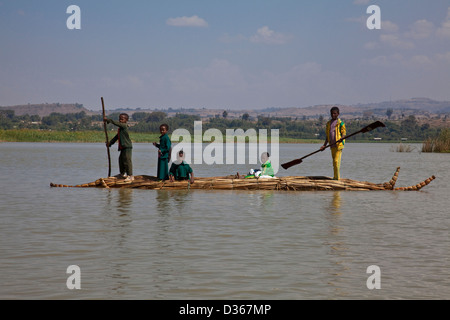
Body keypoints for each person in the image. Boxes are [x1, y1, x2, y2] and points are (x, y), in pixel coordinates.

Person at [104, 113, 133, 181]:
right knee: (121, 160)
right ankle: (122, 174)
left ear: (126, 120)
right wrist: (110, 143)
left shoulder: (124, 126)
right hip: (123, 147)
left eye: (122, 119)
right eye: (119, 119)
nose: (120, 120)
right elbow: (116, 137)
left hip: (127, 146)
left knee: (127, 160)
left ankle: (130, 175)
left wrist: (108, 120)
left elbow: (117, 123)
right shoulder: (120, 129)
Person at [320, 106, 346, 180]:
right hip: (332, 146)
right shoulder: (328, 123)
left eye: (334, 113)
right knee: (334, 163)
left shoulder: (341, 123)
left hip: (338, 145)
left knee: (336, 161)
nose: (333, 115)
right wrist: (324, 145)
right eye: (332, 113)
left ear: (338, 114)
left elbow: (344, 133)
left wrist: (342, 138)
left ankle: (337, 178)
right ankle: (335, 177)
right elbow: (327, 136)